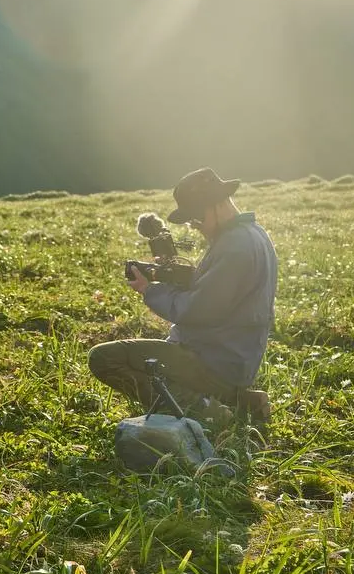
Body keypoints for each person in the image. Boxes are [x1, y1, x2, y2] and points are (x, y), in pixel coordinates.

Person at [88, 167, 278, 424]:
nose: (195, 227)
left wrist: (149, 289)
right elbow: (221, 293)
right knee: (152, 361)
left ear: (215, 205)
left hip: (213, 362)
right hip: (233, 359)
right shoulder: (253, 234)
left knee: (103, 358)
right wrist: (176, 277)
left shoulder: (234, 246)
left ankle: (205, 410)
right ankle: (240, 400)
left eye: (196, 219)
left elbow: (197, 310)